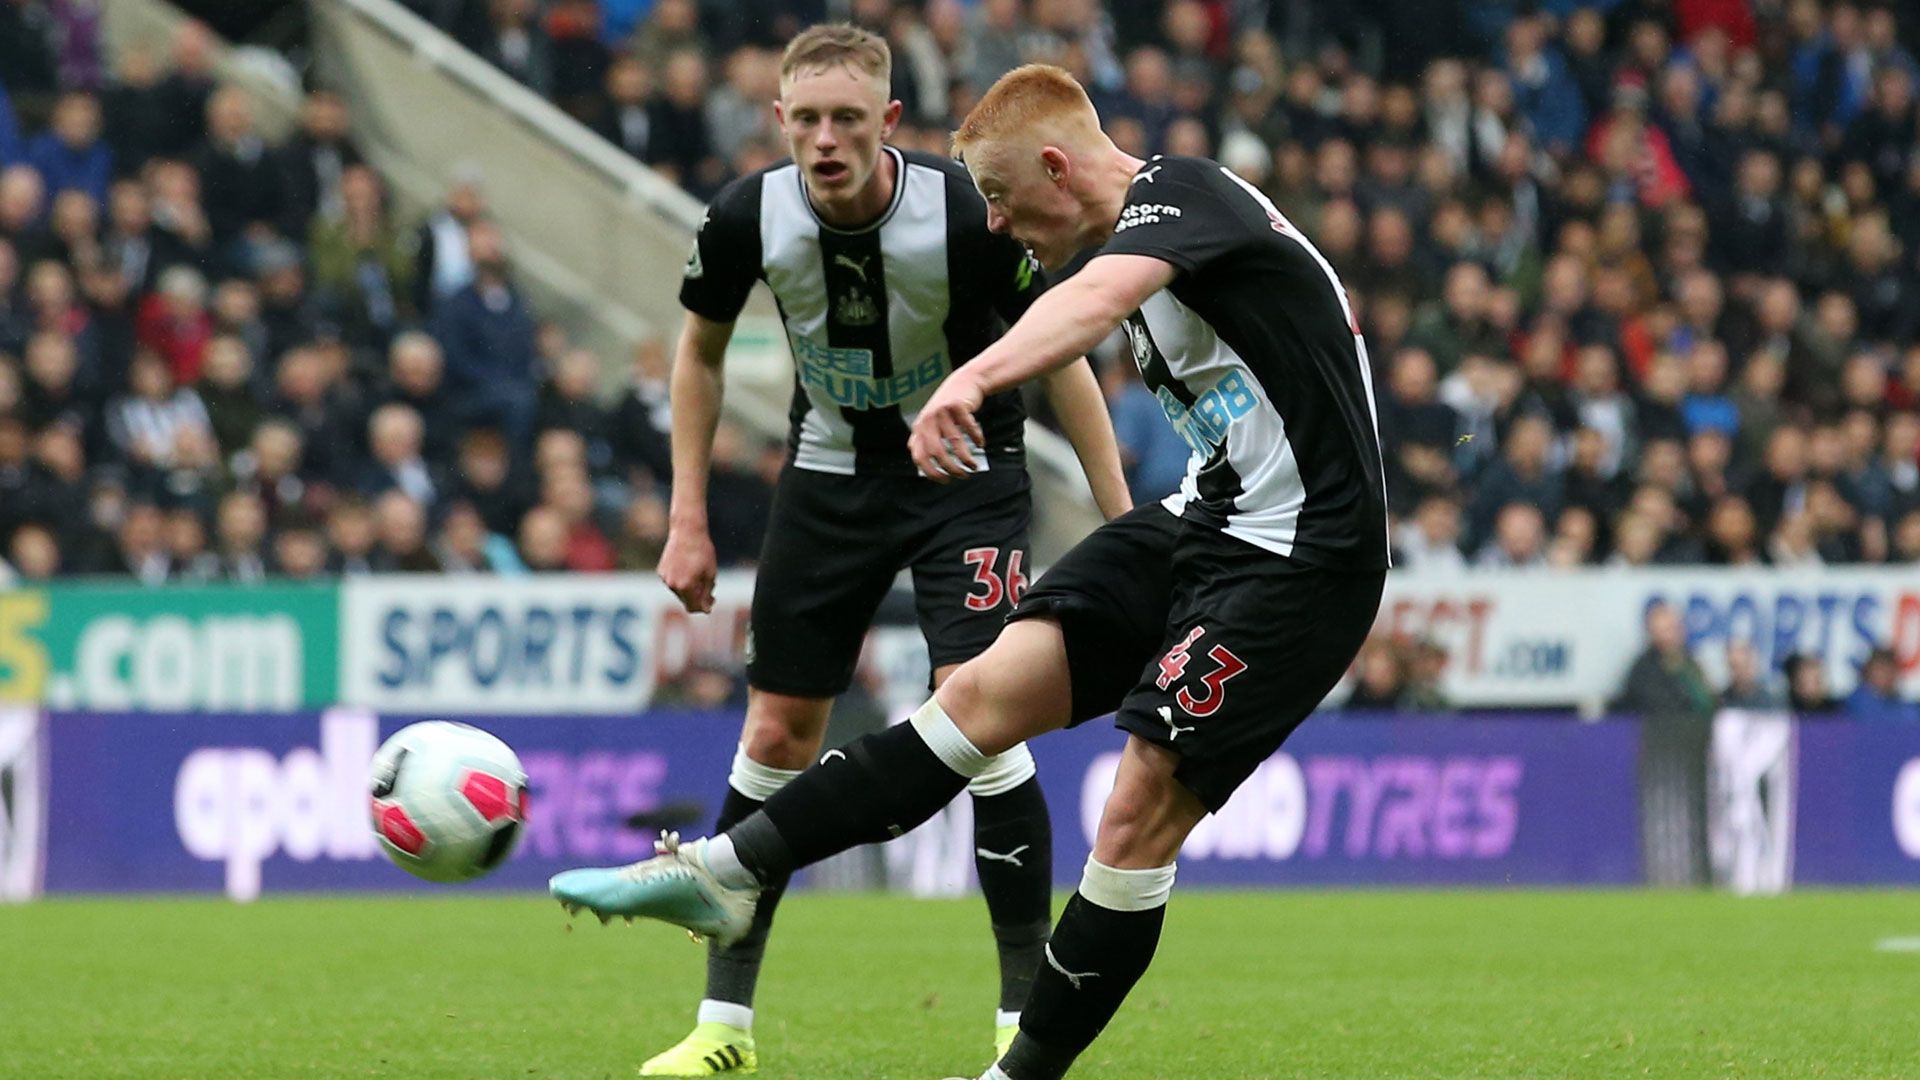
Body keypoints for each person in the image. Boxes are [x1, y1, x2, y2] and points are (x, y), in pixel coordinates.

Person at [551, 61, 1389, 1080]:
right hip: (1210, 520)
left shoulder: (1185, 196)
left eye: (998, 196)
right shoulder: (1139, 235)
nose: (993, 225)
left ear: (1054, 165)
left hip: (1308, 555)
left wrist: (975, 376)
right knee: (980, 692)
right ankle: (729, 871)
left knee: (1138, 805)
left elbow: (1095, 303)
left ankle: (1016, 1075)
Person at [579, 29, 1131, 1078]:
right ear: (778, 120)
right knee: (778, 730)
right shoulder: (747, 215)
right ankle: (722, 1032)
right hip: (828, 480)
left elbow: (1062, 352)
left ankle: (1021, 1024)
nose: (824, 140)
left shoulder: (966, 210)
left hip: (964, 477)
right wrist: (687, 514)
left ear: (888, 123)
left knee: (982, 701)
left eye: (846, 119)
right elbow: (696, 352)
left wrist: (1121, 519)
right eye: (805, 119)